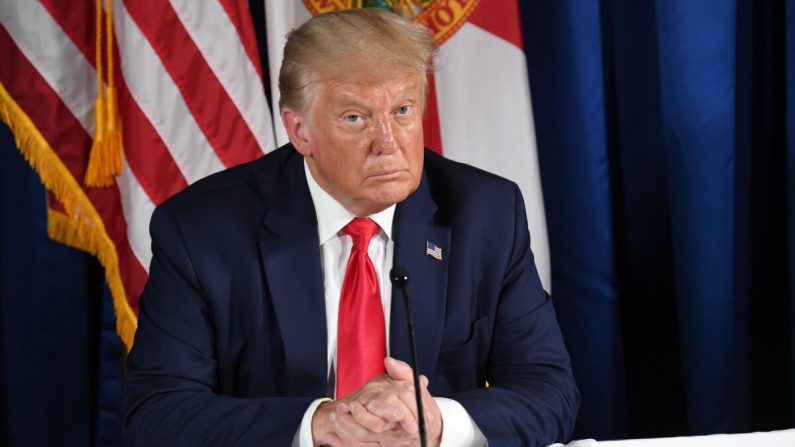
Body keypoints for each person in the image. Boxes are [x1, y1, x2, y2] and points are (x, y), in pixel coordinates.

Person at [125, 8, 579, 447]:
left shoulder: (485, 214)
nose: (388, 143)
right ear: (299, 131)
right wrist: (323, 425)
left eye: (402, 110)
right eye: (355, 118)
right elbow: (157, 413)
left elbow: (549, 391)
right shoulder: (202, 230)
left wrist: (437, 422)